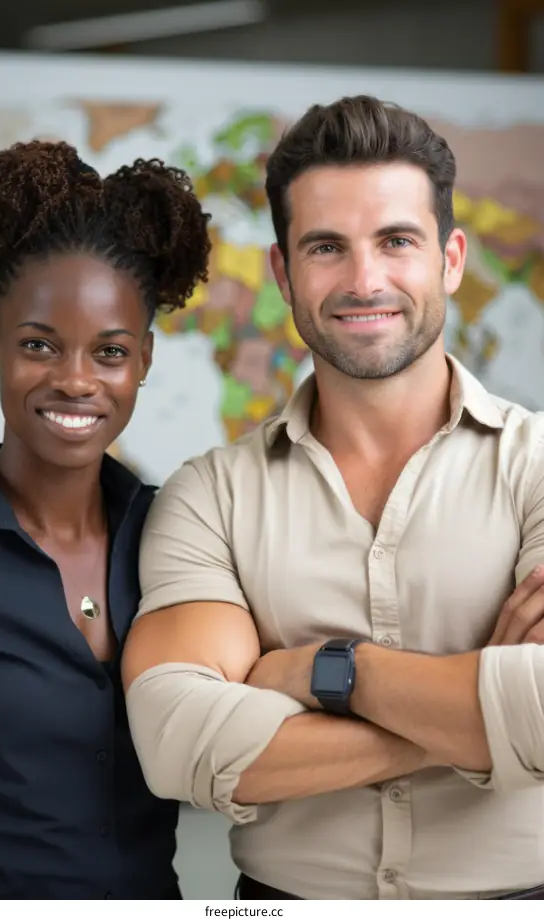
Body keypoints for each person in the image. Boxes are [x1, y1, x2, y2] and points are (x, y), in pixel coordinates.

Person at [121, 96, 544, 901]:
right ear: (282, 274)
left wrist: (326, 673)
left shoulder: (539, 466)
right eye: (326, 247)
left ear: (452, 259)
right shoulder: (209, 497)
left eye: (396, 240)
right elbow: (181, 743)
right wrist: (476, 718)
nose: (364, 280)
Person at [0, 139, 210, 898]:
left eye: (110, 353)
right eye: (39, 345)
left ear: (144, 361)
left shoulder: (182, 538)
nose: (75, 381)